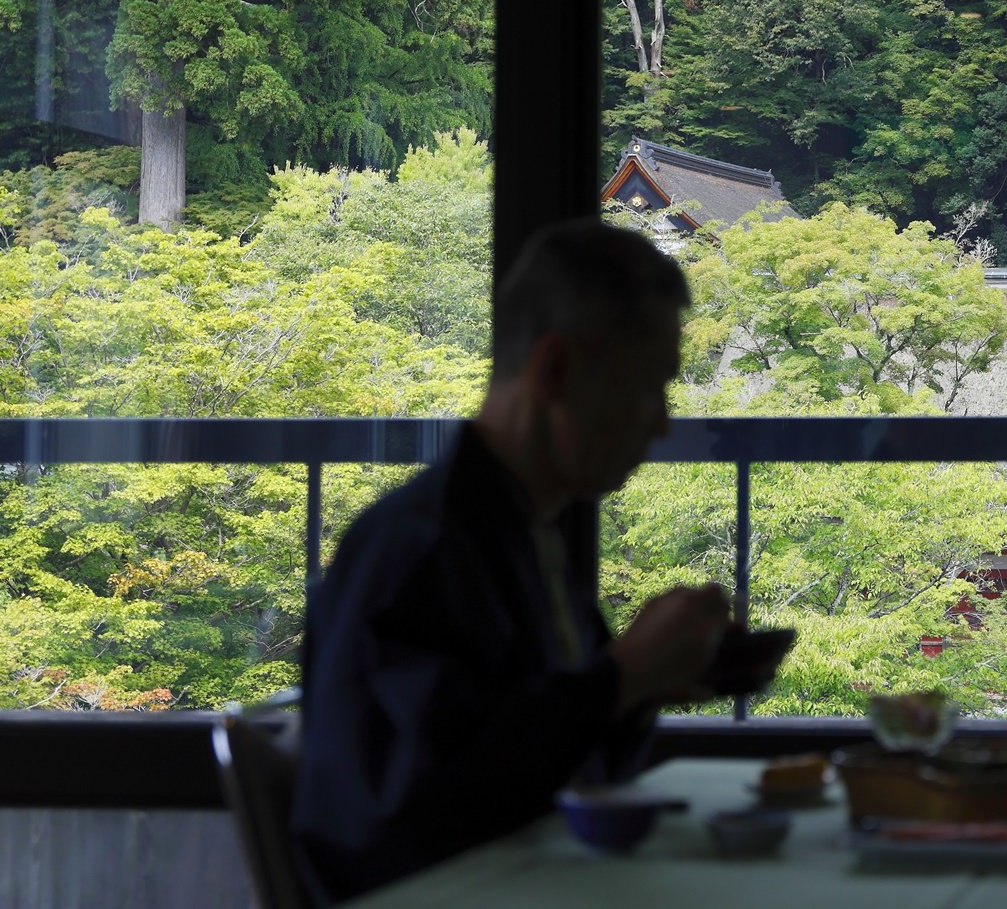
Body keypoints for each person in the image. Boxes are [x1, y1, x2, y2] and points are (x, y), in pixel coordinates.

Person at [294, 220, 766, 901]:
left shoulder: (522, 534)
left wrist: (648, 681)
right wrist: (621, 675)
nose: (661, 424)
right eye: (649, 387)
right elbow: (432, 802)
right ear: (554, 370)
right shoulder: (416, 548)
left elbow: (556, 757)